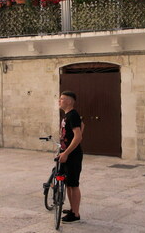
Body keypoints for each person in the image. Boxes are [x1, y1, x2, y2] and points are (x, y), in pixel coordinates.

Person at [58, 91, 83, 223]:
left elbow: (78, 136)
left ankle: (76, 214)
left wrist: (66, 153)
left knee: (73, 184)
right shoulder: (67, 115)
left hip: (72, 155)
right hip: (66, 153)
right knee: (67, 184)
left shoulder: (73, 115)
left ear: (69, 101)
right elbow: (83, 126)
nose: (59, 101)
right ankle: (72, 208)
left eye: (61, 99)